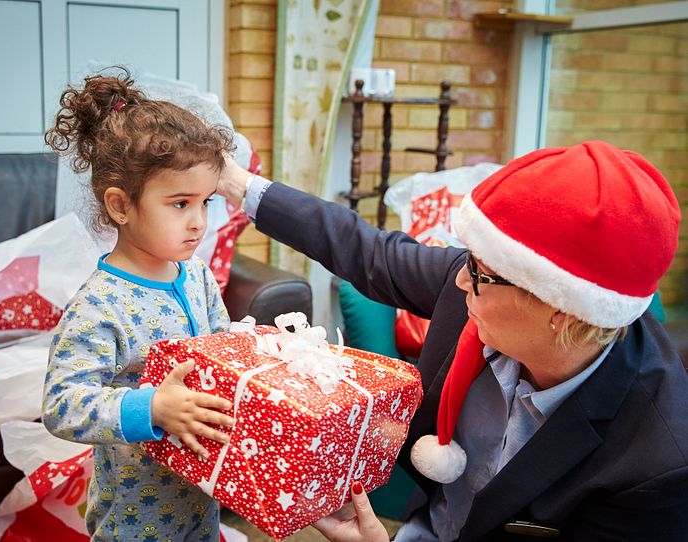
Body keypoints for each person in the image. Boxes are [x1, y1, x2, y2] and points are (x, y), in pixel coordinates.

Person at [218, 140, 688, 541]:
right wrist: (236, 182)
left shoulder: (657, 463)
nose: (460, 280)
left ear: (561, 310)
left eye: (481, 272)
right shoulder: (479, 286)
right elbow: (367, 251)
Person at [42, 70, 235, 541]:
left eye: (205, 202)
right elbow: (62, 404)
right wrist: (152, 407)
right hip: (136, 515)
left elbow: (226, 351)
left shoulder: (198, 277)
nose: (199, 222)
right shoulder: (100, 305)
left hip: (202, 495)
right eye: (179, 203)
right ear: (120, 205)